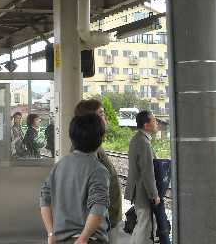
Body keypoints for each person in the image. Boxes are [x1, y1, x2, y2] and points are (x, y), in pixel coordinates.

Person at [40, 114, 109, 244]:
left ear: (72, 137)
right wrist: (83, 238)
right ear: (101, 138)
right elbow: (99, 206)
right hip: (88, 239)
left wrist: (50, 233)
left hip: (60, 239)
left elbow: (44, 198)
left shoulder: (59, 165)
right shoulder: (98, 169)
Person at [74, 100, 123, 243]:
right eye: (101, 114)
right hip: (100, 227)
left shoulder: (95, 147)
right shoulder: (85, 151)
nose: (105, 118)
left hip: (107, 221)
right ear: (89, 120)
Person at [125, 110, 159, 244]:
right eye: (154, 121)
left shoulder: (136, 139)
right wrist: (154, 194)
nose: (156, 123)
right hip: (142, 191)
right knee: (143, 224)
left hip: (137, 189)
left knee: (143, 223)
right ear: (146, 125)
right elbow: (147, 172)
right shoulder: (144, 143)